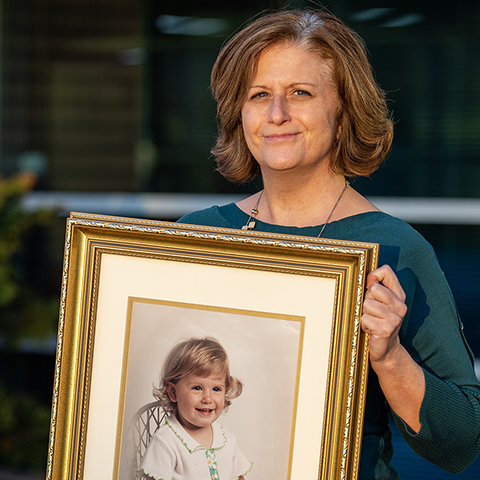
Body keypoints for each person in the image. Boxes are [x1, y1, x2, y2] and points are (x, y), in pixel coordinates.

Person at [178, 9, 480, 480]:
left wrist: (389, 357)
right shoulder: (194, 236)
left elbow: (460, 443)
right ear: (241, 114)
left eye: (301, 93)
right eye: (260, 95)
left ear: (343, 113)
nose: (277, 113)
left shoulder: (396, 249)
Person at [137, 337, 252, 480]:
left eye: (216, 389)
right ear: (173, 392)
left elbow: (238, 476)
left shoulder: (226, 439)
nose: (208, 399)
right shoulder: (166, 441)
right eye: (197, 388)